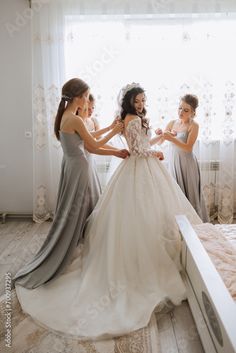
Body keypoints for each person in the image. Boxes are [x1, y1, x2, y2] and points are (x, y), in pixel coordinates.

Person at [15, 83, 201, 339]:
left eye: (143, 100)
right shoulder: (112, 119)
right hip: (133, 165)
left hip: (129, 166)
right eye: (137, 101)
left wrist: (143, 139)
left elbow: (103, 142)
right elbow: (128, 149)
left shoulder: (111, 118)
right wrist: (151, 151)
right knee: (140, 213)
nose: (141, 104)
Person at [13, 78, 124, 290]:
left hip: (73, 166)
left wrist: (112, 134)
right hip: (79, 168)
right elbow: (94, 145)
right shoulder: (74, 119)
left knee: (78, 208)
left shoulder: (67, 117)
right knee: (77, 209)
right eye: (85, 96)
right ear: (77, 97)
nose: (87, 101)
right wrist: (114, 135)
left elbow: (89, 140)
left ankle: (79, 243)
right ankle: (73, 245)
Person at [155, 94, 209, 222]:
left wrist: (172, 138)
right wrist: (160, 134)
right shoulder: (172, 123)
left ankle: (196, 224)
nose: (181, 112)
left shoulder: (194, 126)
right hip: (174, 162)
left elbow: (188, 148)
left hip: (187, 164)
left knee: (191, 194)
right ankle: (180, 224)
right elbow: (160, 142)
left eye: (186, 110)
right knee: (176, 193)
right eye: (180, 108)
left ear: (193, 113)